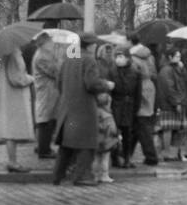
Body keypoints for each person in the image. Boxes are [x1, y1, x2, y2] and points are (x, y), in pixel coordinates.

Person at [51, 32, 114, 186]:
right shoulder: (89, 60)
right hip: (84, 108)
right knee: (87, 143)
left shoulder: (70, 57)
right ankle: (82, 176)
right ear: (92, 45)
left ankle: (57, 176)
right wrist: (106, 85)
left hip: (67, 107)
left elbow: (58, 81)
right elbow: (91, 83)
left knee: (67, 144)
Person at [0, 48, 35, 172]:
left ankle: (13, 161)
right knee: (12, 130)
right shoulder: (13, 55)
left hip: (12, 97)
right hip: (14, 98)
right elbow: (16, 79)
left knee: (12, 130)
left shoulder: (9, 53)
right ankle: (13, 162)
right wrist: (31, 79)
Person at [31, 32, 64, 159]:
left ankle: (42, 146)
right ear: (44, 43)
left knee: (48, 119)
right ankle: (44, 150)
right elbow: (54, 71)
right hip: (47, 92)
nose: (52, 43)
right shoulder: (42, 57)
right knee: (45, 120)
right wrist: (60, 60)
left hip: (49, 92)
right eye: (50, 41)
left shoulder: (45, 55)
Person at [155, 44, 187, 162]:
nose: (179, 58)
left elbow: (183, 82)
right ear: (170, 57)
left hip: (178, 102)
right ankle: (167, 153)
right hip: (169, 104)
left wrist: (182, 69)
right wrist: (177, 102)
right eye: (177, 56)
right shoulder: (166, 70)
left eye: (180, 56)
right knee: (168, 128)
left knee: (180, 129)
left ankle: (179, 153)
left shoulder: (176, 68)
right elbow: (169, 88)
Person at [128, 44, 160, 166]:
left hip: (140, 90)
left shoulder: (134, 59)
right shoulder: (149, 57)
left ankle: (151, 156)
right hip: (149, 88)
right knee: (137, 125)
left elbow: (133, 76)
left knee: (142, 124)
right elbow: (154, 74)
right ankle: (126, 154)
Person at [108, 48, 139, 167]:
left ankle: (127, 158)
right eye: (117, 57)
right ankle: (114, 158)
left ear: (127, 58)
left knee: (127, 134)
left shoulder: (135, 72)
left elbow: (137, 92)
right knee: (114, 133)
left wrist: (136, 107)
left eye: (121, 57)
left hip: (129, 105)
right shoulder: (112, 71)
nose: (118, 59)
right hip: (116, 104)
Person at [94, 91, 121, 183]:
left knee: (96, 158)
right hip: (106, 140)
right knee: (105, 158)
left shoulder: (95, 113)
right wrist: (117, 135)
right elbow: (112, 129)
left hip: (95, 139)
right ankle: (104, 175)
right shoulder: (108, 115)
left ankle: (95, 175)